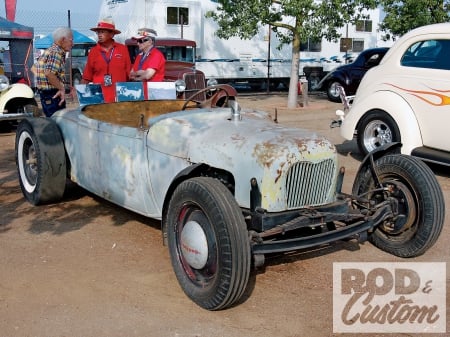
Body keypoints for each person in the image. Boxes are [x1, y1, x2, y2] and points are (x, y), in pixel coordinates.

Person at [82, 17, 131, 103]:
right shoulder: (93, 51)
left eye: (102, 32)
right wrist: (79, 91)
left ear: (112, 34)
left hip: (120, 97)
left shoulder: (122, 49)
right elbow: (87, 76)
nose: (99, 35)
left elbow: (129, 74)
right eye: (98, 32)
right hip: (99, 97)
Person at [34, 27, 73, 117]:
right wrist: (61, 88)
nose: (72, 44)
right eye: (71, 40)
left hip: (46, 93)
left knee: (51, 120)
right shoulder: (57, 52)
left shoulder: (49, 50)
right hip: (52, 94)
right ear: (63, 39)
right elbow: (49, 73)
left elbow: (36, 70)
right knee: (57, 122)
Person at [129, 28, 165, 99]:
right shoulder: (139, 56)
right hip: (139, 93)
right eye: (137, 41)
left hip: (153, 95)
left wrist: (137, 75)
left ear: (150, 41)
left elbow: (147, 75)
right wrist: (140, 73)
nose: (137, 43)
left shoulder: (156, 54)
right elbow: (131, 75)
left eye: (140, 41)